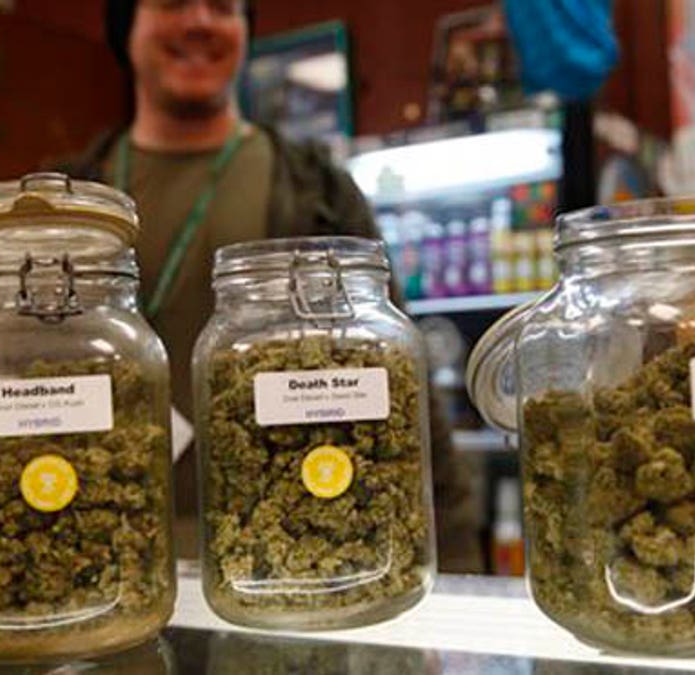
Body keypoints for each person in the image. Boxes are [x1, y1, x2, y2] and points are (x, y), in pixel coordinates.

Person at [67, 0, 481, 572]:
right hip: (108, 552)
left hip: (292, 557)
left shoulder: (317, 191)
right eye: (172, 3)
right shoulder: (74, 204)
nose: (200, 22)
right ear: (125, 28)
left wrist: (455, 548)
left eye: (223, 7)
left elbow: (398, 376)